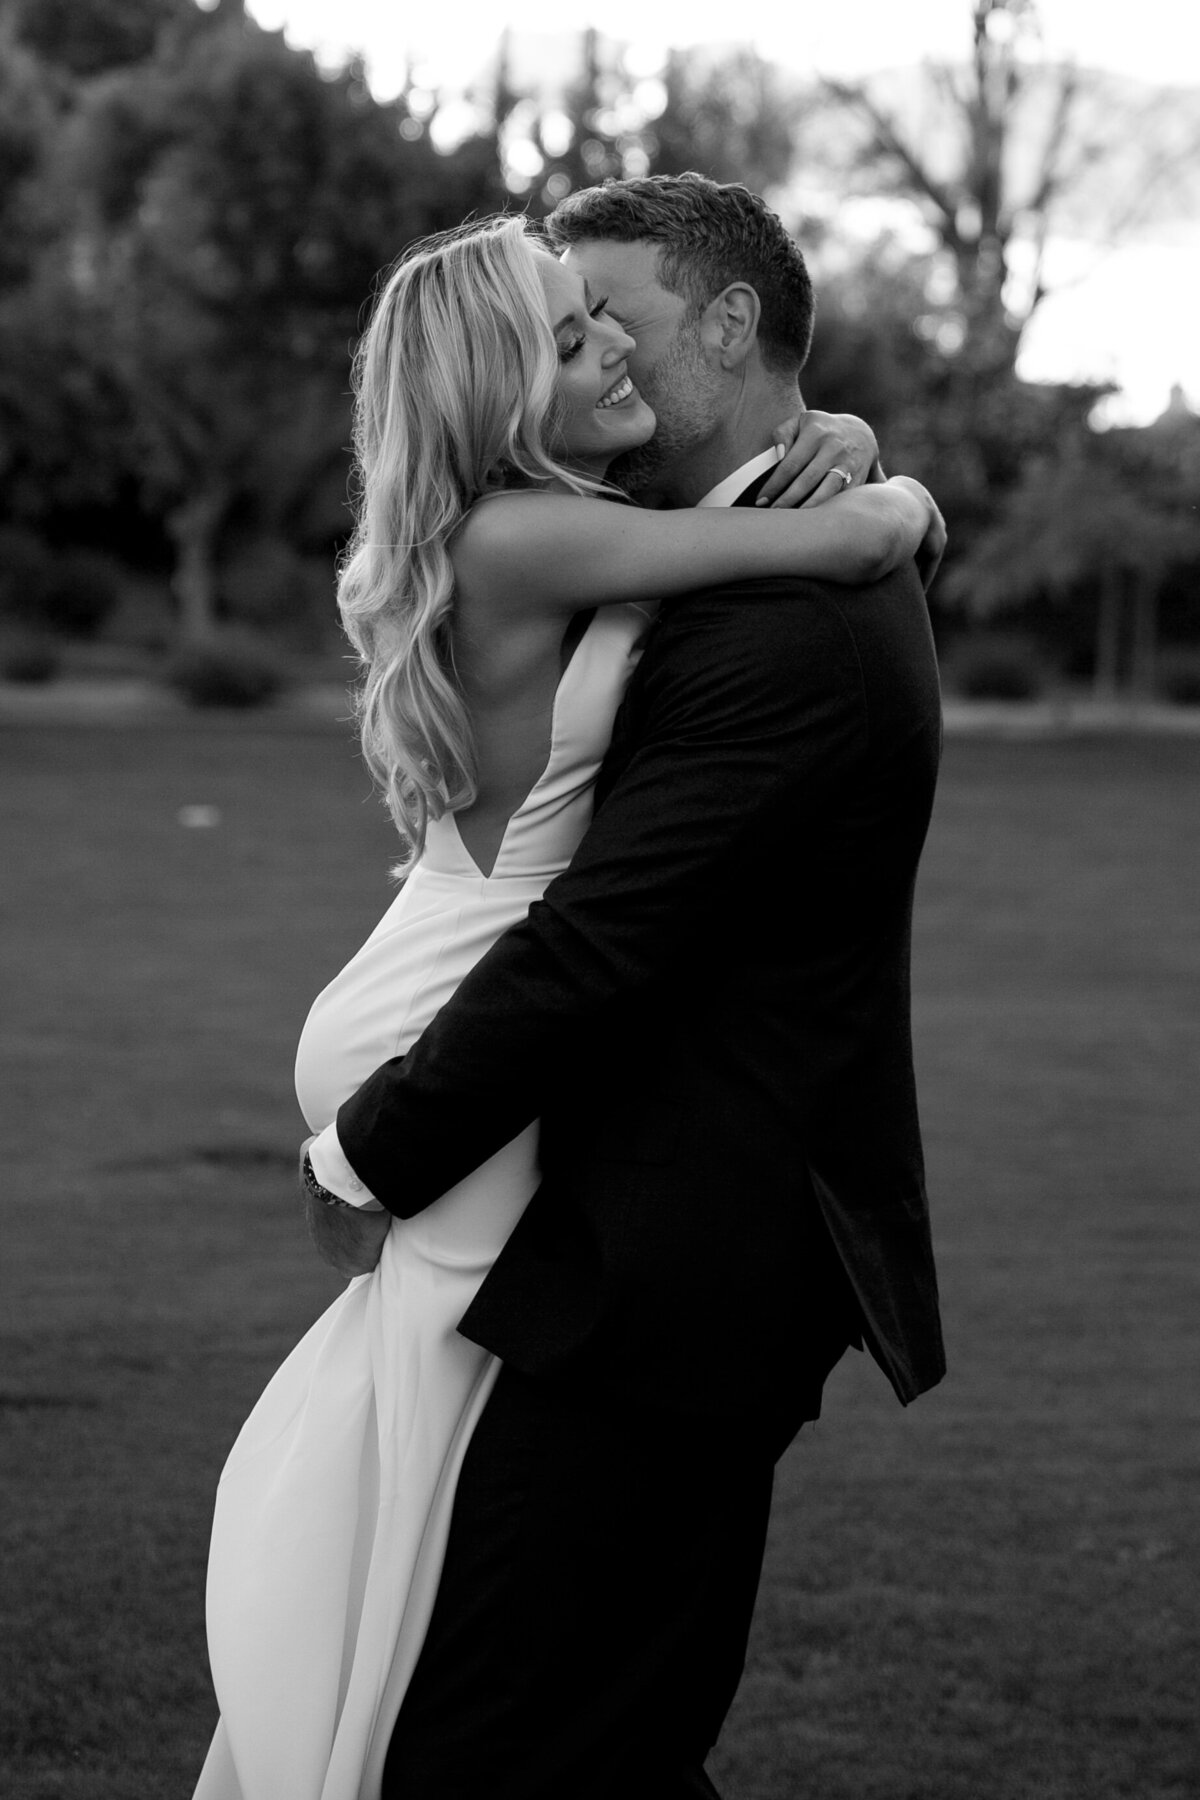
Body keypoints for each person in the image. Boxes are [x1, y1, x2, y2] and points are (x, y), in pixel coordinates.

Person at [194, 193, 942, 1800]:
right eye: (564, 328)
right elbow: (595, 944)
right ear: (497, 382)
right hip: (478, 1069)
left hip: (653, 1233)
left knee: (518, 1673)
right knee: (525, 1694)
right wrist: (884, 488)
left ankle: (344, 1706)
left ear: (727, 332)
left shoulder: (683, 590)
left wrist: (865, 450)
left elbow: (608, 936)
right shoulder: (574, 545)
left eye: (616, 316)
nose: (600, 347)